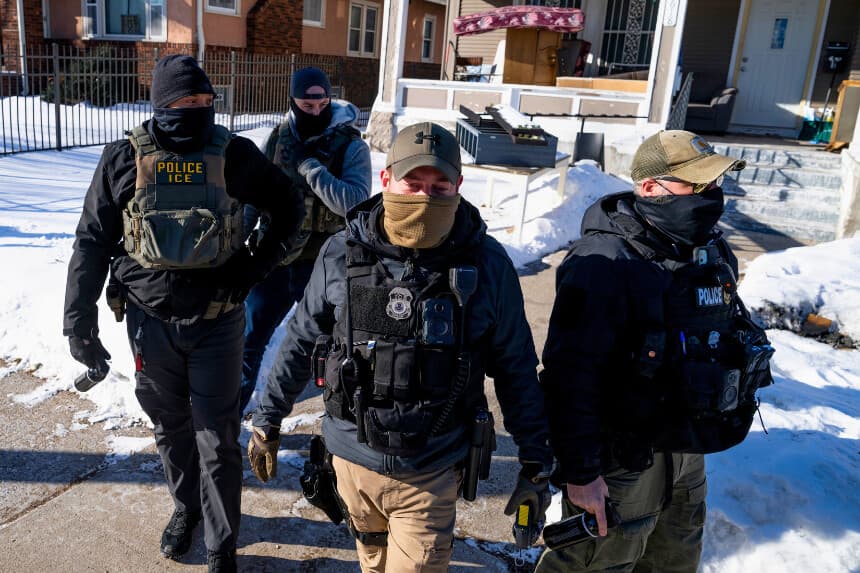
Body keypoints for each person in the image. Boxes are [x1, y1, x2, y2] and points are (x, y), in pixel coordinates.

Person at [247, 122, 554, 572]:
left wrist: (535, 461)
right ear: (387, 179)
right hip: (350, 463)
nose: (425, 197)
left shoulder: (486, 264)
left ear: (458, 186)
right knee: (372, 561)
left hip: (430, 471)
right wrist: (267, 418)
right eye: (413, 183)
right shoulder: (341, 251)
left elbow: (516, 368)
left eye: (439, 185)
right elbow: (301, 339)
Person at [63, 55, 304, 573]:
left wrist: (249, 269)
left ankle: (221, 542)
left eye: (203, 101)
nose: (194, 110)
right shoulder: (123, 159)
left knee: (217, 436)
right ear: (159, 105)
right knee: (170, 427)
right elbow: (92, 241)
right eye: (181, 102)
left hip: (218, 323)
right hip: (149, 324)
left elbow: (290, 207)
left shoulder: (234, 155)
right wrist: (78, 323)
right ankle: (186, 507)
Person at [536, 130, 774, 572]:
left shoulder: (710, 249)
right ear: (650, 189)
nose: (712, 196)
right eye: (699, 186)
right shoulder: (606, 263)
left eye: (716, 185)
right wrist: (581, 473)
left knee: (674, 562)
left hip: (687, 455)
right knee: (597, 564)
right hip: (622, 462)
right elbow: (571, 379)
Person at [239, 66, 371, 415]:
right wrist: (236, 239)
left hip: (326, 264)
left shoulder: (351, 145)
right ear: (293, 102)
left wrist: (311, 167)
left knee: (333, 346)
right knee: (249, 339)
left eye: (321, 104)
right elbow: (254, 195)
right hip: (277, 257)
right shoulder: (277, 139)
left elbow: (356, 204)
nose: (314, 112)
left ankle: (340, 423)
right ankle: (229, 417)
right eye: (306, 106)